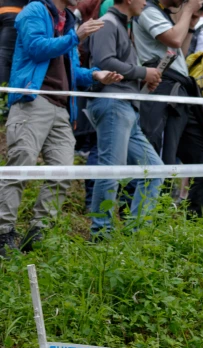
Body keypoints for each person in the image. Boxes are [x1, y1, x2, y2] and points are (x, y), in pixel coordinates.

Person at [0, 0, 120, 258]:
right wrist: (75, 37)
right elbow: (35, 49)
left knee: (62, 171)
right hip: (33, 101)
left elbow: (71, 71)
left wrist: (95, 75)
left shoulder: (69, 21)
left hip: (62, 108)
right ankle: (3, 233)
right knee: (19, 167)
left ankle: (39, 232)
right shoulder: (34, 11)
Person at [133, 0, 203, 218]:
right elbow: (172, 38)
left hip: (182, 90)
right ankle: (151, 220)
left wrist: (190, 23)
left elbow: (177, 49)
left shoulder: (163, 15)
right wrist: (189, 10)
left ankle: (197, 220)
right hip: (163, 90)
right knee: (164, 157)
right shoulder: (147, 10)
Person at [87, 0, 166, 239]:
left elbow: (117, 67)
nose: (145, 2)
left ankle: (137, 233)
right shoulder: (108, 23)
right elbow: (104, 61)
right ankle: (101, 234)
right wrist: (143, 73)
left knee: (154, 170)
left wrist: (142, 81)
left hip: (126, 107)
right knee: (111, 171)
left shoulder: (123, 25)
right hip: (113, 105)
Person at [0, 0, 28, 88]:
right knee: (5, 56)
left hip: (8, 11)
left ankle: (3, 93)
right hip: (16, 12)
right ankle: (3, 95)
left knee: (3, 56)